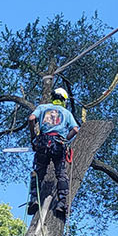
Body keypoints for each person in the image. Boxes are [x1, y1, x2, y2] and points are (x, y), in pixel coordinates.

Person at [27, 87, 78, 218]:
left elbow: (31, 118)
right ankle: (61, 202)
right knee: (61, 173)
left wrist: (34, 137)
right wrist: (65, 140)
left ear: (53, 97)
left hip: (43, 142)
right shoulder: (66, 113)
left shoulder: (42, 107)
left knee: (39, 173)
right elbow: (75, 130)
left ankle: (34, 199)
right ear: (64, 100)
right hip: (58, 144)